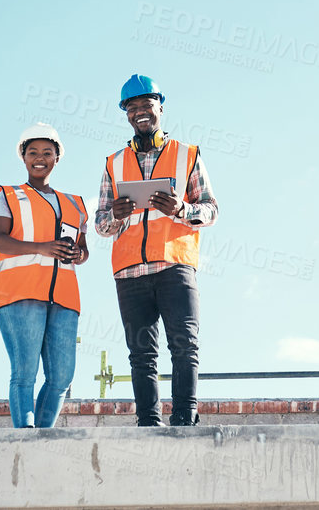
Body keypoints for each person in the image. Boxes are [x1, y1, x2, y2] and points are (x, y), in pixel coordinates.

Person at [94, 74, 219, 427]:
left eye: (146, 105)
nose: (139, 113)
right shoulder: (113, 163)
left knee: (184, 344)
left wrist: (182, 209)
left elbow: (211, 210)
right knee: (141, 354)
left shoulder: (187, 155)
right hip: (130, 271)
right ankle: (148, 422)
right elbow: (101, 223)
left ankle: (184, 418)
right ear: (126, 115)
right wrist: (114, 216)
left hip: (174, 265)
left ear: (160, 107)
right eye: (131, 108)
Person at [0, 123, 89, 428]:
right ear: (23, 157)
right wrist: (42, 248)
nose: (39, 158)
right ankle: (26, 434)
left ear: (57, 157)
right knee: (25, 371)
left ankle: (41, 438)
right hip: (20, 294)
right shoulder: (8, 195)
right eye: (32, 152)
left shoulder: (76, 204)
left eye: (47, 152)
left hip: (64, 299)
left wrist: (78, 255)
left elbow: (83, 251)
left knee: (61, 376)